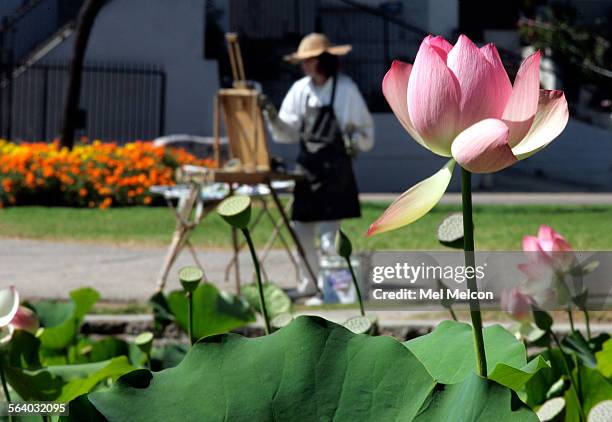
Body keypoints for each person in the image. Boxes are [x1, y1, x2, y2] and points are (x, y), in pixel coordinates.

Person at [262, 33, 374, 299]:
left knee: (328, 236)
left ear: (323, 61)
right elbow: (287, 132)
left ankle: (333, 290)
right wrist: (272, 117)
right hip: (308, 171)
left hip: (335, 172)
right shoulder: (301, 89)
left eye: (309, 60)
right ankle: (309, 284)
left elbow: (366, 132)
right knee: (301, 230)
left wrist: (353, 141)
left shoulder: (346, 89)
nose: (304, 66)